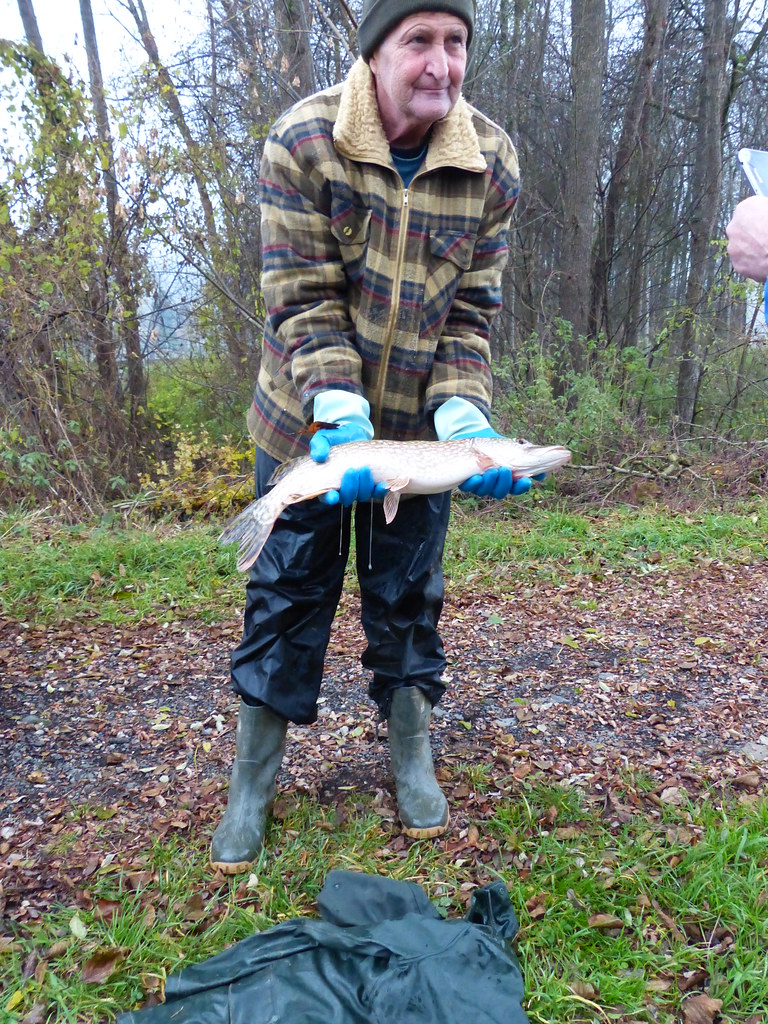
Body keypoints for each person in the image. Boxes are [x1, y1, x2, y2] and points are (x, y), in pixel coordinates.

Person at [211, 0, 531, 874]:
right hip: (308, 425)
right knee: (286, 594)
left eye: (455, 41)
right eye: (418, 40)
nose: (440, 63)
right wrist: (338, 412)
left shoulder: (492, 159)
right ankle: (252, 782)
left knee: (408, 596)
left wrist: (462, 413)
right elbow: (303, 297)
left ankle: (411, 752)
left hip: (420, 439)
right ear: (375, 51)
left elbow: (471, 312)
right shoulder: (304, 140)